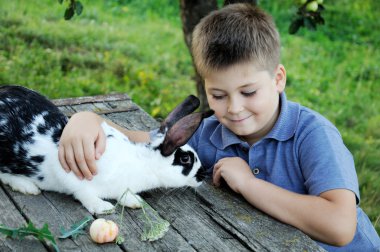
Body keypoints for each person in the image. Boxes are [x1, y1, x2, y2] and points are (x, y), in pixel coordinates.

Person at [58, 3, 380, 251]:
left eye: (249, 92)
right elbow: (146, 144)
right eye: (218, 95)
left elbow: (340, 227)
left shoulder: (312, 134)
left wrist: (248, 184)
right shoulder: (210, 132)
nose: (234, 108)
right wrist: (88, 119)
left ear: (278, 79)